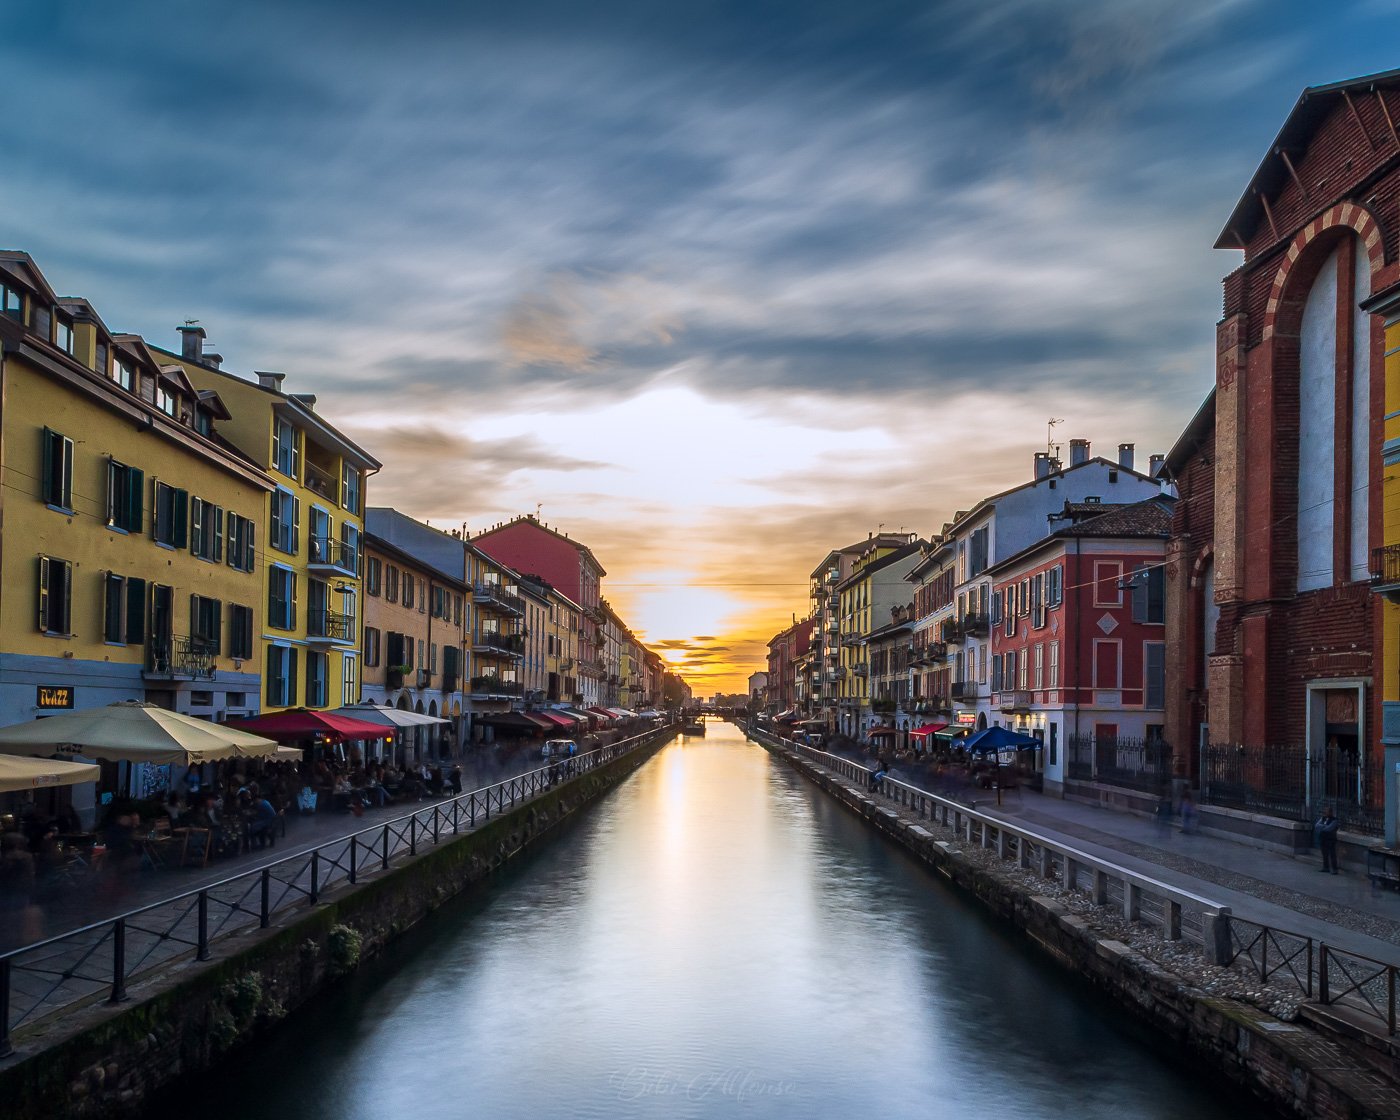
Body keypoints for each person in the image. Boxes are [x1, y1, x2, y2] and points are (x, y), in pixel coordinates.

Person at [1316, 804, 1340, 873]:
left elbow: (1329, 828)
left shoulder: (1334, 820)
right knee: (1324, 854)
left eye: (1327, 812)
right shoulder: (1323, 818)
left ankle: (1334, 869)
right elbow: (1316, 826)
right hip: (1323, 838)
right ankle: (1326, 867)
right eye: (1325, 811)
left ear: (1331, 812)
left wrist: (1322, 827)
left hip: (1331, 839)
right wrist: (1324, 826)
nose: (1325, 813)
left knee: (1332, 854)